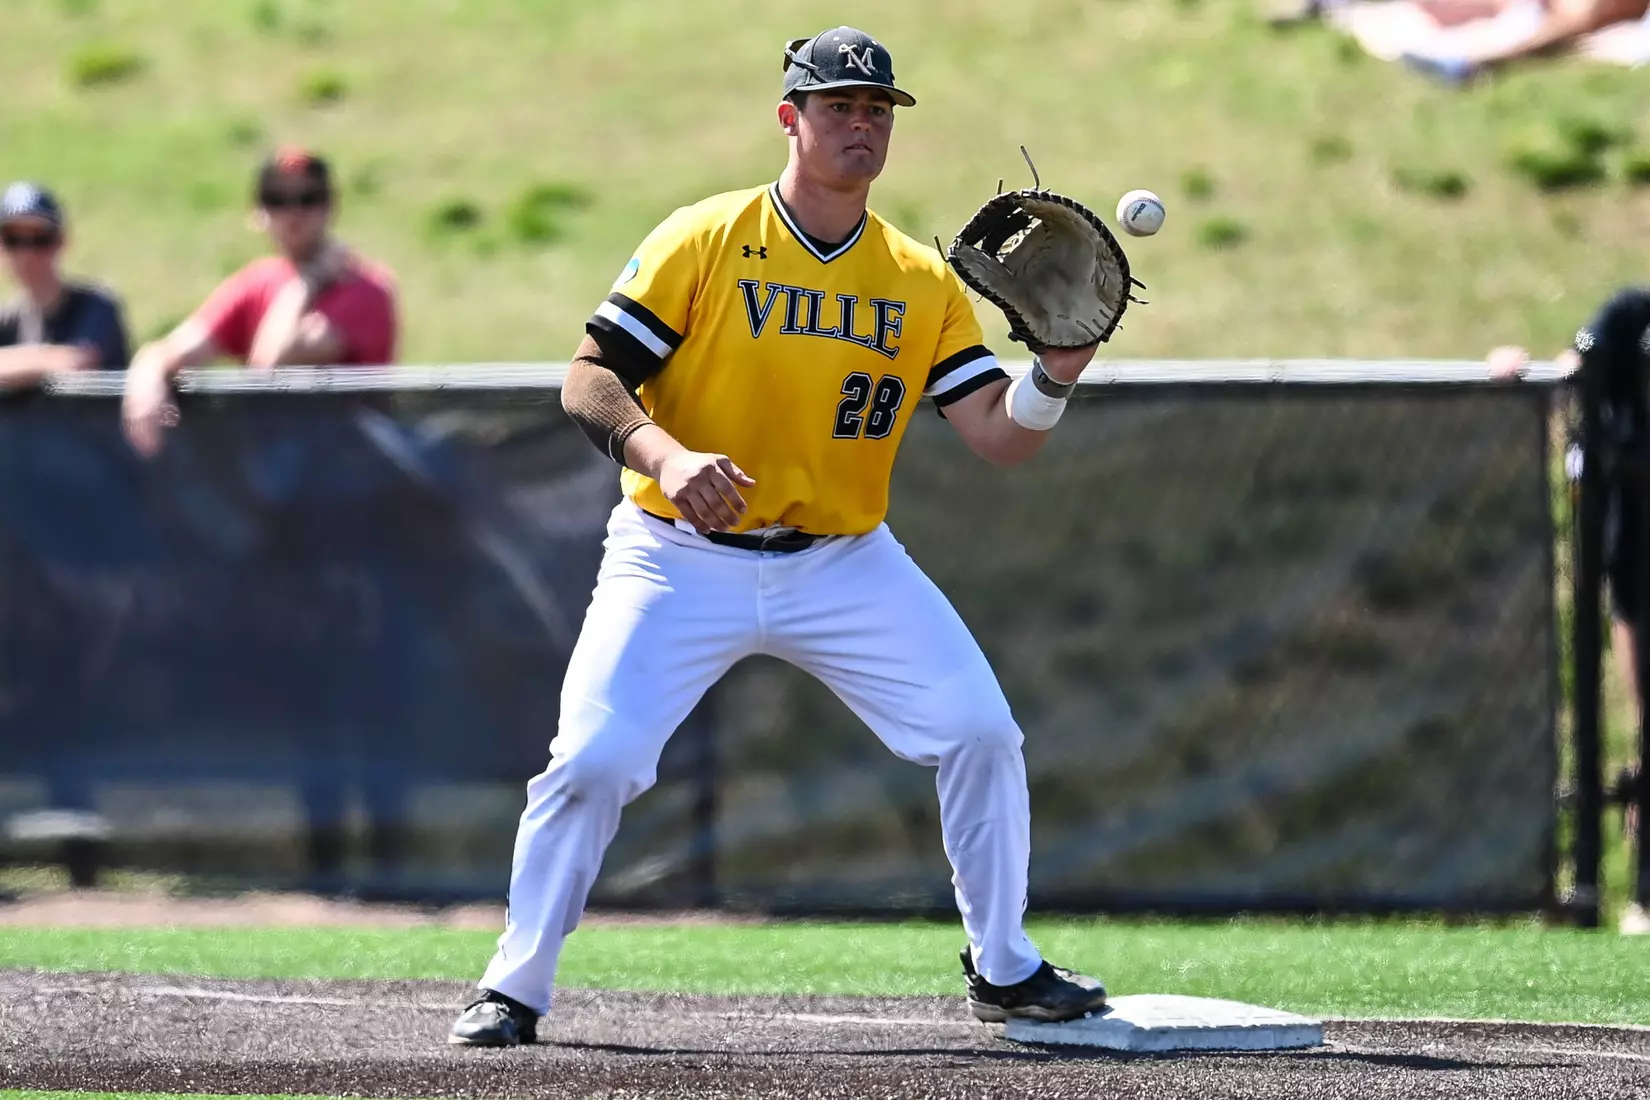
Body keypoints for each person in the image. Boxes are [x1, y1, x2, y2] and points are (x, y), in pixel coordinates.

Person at [448, 26, 1112, 1048]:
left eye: (879, 108)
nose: (863, 124)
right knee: (594, 758)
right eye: (841, 105)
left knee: (980, 731)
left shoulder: (916, 279)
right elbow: (587, 376)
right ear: (789, 117)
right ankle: (515, 982)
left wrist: (1056, 372)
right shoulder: (705, 236)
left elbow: (997, 437)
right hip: (676, 554)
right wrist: (664, 456)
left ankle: (1006, 965)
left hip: (842, 561)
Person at [1490, 289, 1649, 934]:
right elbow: (1574, 376)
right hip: (1639, 549)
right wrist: (1522, 374)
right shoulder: (1631, 314)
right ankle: (1643, 891)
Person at [121, 147, 397, 457]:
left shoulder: (366, 288)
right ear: (259, 213)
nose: (294, 213)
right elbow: (174, 350)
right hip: (272, 473)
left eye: (308, 198)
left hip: (352, 468)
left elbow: (271, 364)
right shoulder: (256, 282)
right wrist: (147, 380)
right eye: (277, 200)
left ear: (331, 207)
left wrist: (305, 283)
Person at [0, 181, 130, 388]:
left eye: (40, 239)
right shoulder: (8, 318)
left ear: (62, 242)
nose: (27, 254)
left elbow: (76, 363)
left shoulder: (96, 305)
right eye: (13, 240)